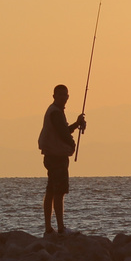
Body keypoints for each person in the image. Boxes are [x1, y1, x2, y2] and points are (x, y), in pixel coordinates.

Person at [38, 83, 86, 237]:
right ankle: (60, 228)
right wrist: (72, 144)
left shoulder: (55, 111)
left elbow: (63, 130)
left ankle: (48, 229)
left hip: (51, 156)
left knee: (51, 191)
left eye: (65, 95)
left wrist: (77, 124)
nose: (63, 97)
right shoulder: (56, 113)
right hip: (57, 158)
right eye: (60, 95)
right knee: (58, 192)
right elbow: (63, 133)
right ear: (54, 96)